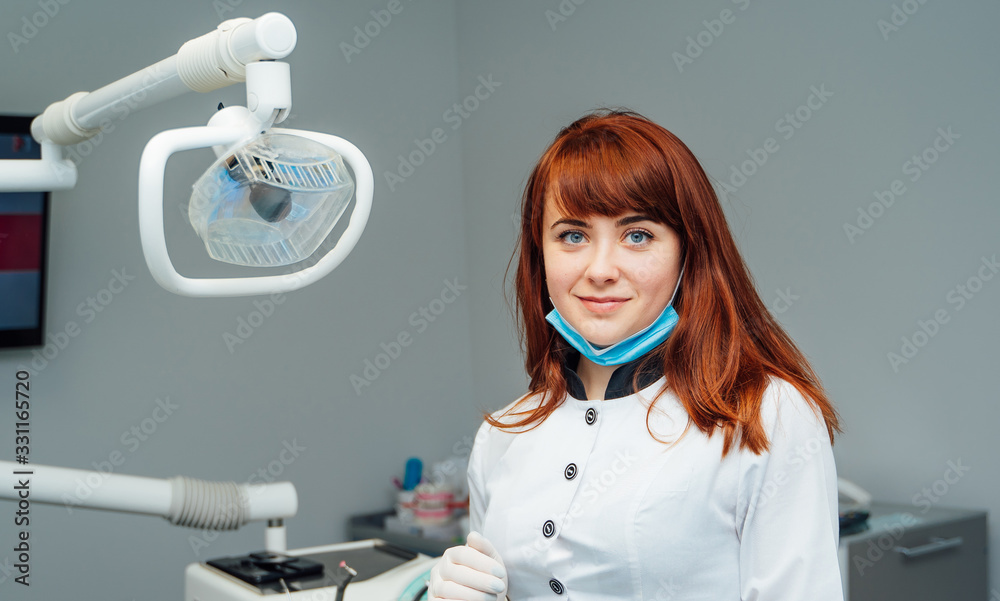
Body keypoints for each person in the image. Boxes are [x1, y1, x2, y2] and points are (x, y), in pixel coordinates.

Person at [428, 109, 844, 600]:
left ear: (689, 253)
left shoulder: (765, 415)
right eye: (573, 236)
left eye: (638, 235)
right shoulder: (504, 436)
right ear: (539, 254)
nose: (601, 269)